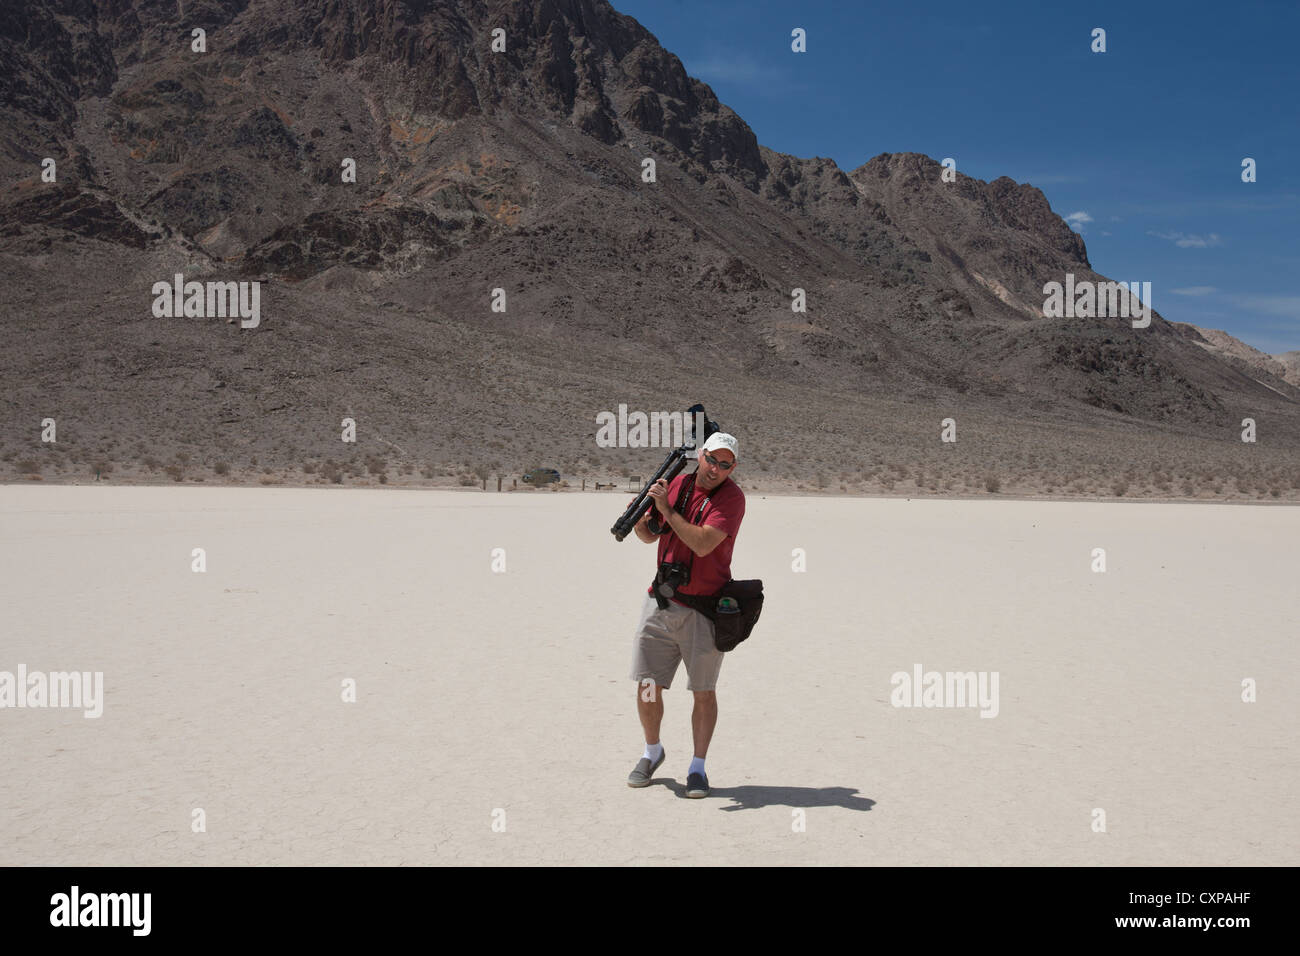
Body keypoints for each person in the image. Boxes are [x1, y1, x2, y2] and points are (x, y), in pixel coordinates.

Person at [626, 432, 745, 798]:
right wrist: (640, 517)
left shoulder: (732, 499)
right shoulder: (676, 483)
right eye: (712, 459)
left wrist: (667, 510)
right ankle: (652, 752)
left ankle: (697, 768)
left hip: (704, 610)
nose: (716, 468)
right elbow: (648, 536)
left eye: (725, 464)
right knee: (648, 684)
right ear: (701, 455)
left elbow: (702, 543)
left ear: (733, 468)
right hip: (661, 602)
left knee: (703, 692)